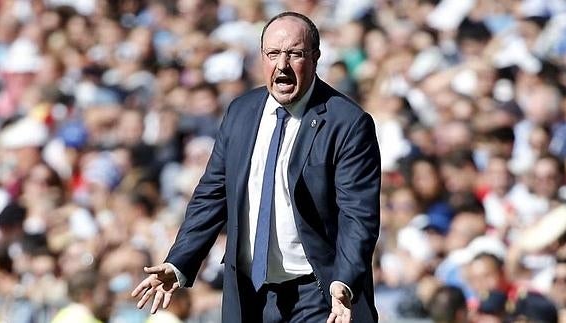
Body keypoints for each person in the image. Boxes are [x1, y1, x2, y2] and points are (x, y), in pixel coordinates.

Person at [131, 11, 381, 323]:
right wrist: (178, 261)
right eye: (273, 54)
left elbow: (358, 215)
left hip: (319, 294)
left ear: (316, 58)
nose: (282, 66)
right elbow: (212, 194)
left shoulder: (347, 123)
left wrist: (344, 281)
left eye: (295, 54)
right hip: (249, 293)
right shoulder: (241, 112)